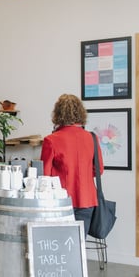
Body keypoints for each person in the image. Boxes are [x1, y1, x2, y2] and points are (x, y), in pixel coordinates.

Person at [40, 94, 104, 234]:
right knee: (79, 245)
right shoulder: (92, 138)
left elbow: (44, 175)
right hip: (87, 199)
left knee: (60, 246)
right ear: (81, 113)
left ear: (57, 114)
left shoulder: (51, 140)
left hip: (60, 200)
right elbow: (99, 170)